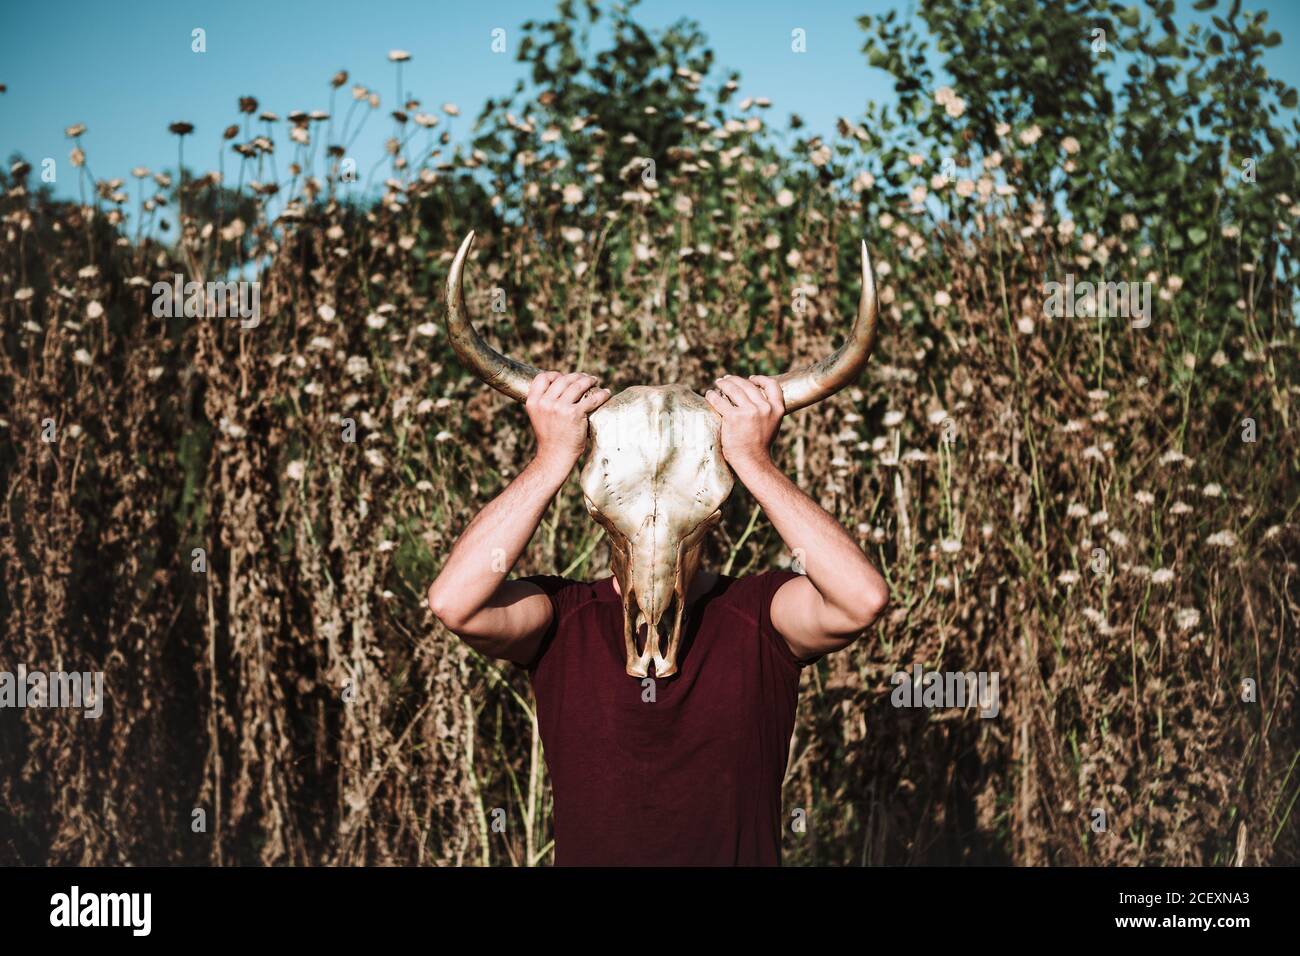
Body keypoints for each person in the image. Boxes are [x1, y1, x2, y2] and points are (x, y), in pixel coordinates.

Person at [428, 369, 889, 865]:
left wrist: (755, 462)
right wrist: (552, 458)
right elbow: (455, 602)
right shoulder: (562, 621)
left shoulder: (759, 615)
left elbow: (860, 598)